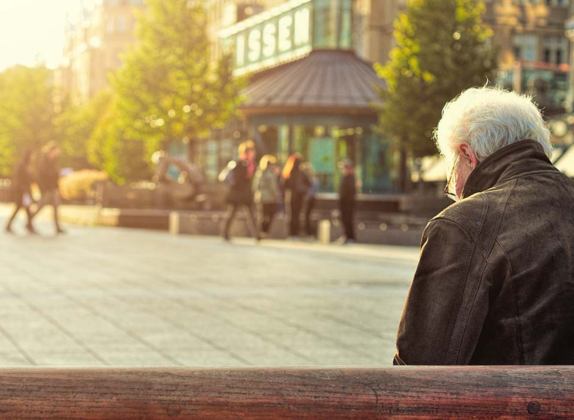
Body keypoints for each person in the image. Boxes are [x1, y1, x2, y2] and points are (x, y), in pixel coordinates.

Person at [395, 87, 574, 365]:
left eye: (451, 169)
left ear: (467, 155)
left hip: (512, 406)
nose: (453, 187)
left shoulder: (463, 225)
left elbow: (423, 366)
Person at [220, 140, 260, 241]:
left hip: (246, 194)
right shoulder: (238, 164)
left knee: (252, 214)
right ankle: (225, 233)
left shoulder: (252, 165)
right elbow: (236, 179)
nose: (253, 154)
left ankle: (257, 235)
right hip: (237, 194)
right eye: (251, 152)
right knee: (232, 214)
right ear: (246, 153)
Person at [30, 142, 66, 234]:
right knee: (41, 206)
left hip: (52, 188)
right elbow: (41, 176)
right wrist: (44, 188)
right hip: (46, 188)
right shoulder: (43, 161)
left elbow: (55, 176)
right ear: (51, 151)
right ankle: (29, 220)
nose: (57, 154)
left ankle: (57, 227)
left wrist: (57, 187)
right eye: (55, 151)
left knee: (55, 206)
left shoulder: (54, 161)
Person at [4, 149, 36, 234]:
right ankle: (27, 225)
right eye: (32, 155)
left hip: (25, 190)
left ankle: (29, 225)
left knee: (26, 208)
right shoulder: (22, 165)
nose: (33, 157)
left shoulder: (27, 165)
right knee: (21, 207)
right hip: (21, 191)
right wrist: (22, 188)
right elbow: (18, 178)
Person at [252, 155, 281, 236]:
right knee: (270, 214)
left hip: (260, 197)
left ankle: (261, 231)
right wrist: (276, 195)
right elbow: (273, 187)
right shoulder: (270, 174)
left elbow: (255, 186)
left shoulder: (259, 173)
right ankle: (264, 231)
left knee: (263, 214)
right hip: (269, 198)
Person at [282, 154, 310, 237]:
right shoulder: (299, 172)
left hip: (292, 196)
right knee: (296, 214)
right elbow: (309, 183)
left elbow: (284, 185)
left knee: (293, 214)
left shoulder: (288, 172)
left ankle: (292, 232)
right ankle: (294, 232)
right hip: (297, 196)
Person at [339, 159, 357, 244]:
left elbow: (350, 192)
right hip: (343, 202)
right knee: (344, 219)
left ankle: (350, 237)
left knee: (348, 219)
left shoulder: (351, 178)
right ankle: (347, 236)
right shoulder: (345, 177)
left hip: (348, 203)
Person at [302, 162, 318, 236]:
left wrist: (307, 197)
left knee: (307, 215)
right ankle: (308, 231)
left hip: (310, 199)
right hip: (311, 198)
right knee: (307, 215)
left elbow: (312, 190)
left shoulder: (311, 179)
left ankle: (309, 231)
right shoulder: (312, 179)